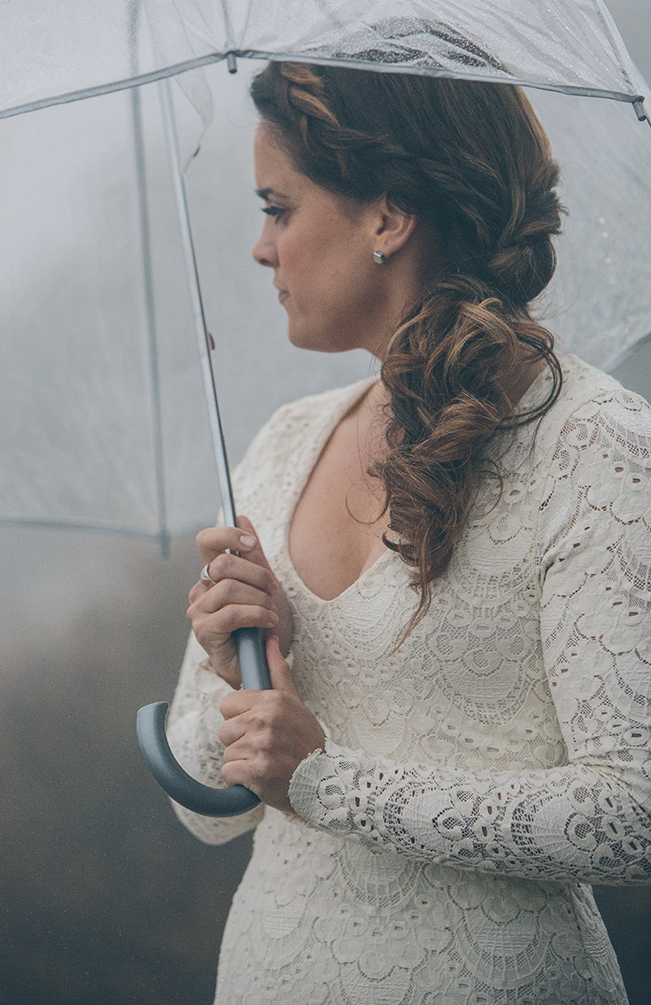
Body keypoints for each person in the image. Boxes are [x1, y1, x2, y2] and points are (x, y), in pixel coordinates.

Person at [166, 61, 651, 1004]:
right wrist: (243, 673)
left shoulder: (595, 445)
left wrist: (326, 781)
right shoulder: (281, 446)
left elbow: (633, 814)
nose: (262, 249)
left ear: (388, 218)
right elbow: (208, 813)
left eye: (279, 207)